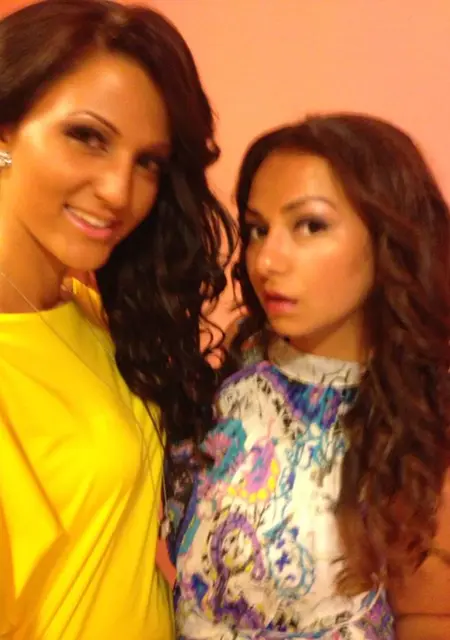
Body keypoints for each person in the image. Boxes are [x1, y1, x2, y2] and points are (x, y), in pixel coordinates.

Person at [0, 0, 234, 638]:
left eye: (147, 161)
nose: (118, 191)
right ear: (5, 129)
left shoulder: (89, 309)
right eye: (87, 137)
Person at [167, 113, 450, 639]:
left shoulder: (425, 417)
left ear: (388, 238)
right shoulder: (238, 371)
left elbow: (430, 618)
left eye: (310, 225)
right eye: (258, 230)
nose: (266, 261)